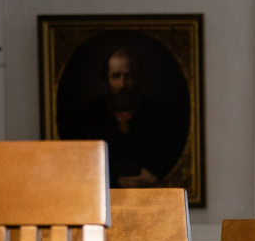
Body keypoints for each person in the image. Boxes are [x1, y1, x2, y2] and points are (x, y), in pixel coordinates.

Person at [61, 44, 188, 187]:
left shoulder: (162, 118)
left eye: (129, 76)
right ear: (106, 80)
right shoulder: (85, 118)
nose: (122, 84)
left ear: (139, 79)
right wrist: (113, 182)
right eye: (116, 76)